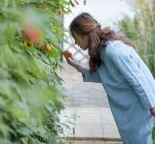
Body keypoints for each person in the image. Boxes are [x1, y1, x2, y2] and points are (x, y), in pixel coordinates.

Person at [63, 12, 155, 144]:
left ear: (85, 34)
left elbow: (137, 79)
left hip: (141, 109)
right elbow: (107, 76)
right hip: (129, 111)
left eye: (74, 37)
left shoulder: (113, 50)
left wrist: (152, 106)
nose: (75, 42)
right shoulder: (102, 49)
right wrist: (77, 66)